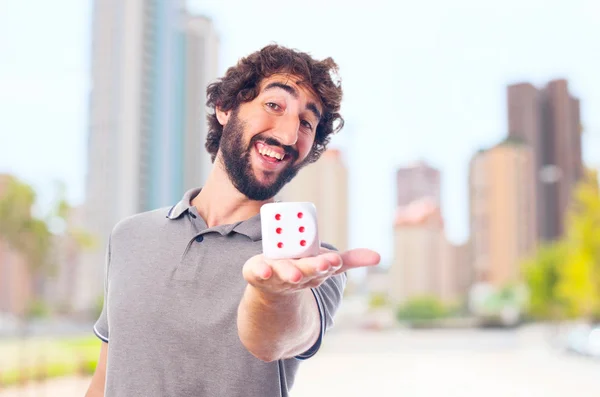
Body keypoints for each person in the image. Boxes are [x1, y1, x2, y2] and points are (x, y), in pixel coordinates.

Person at [85, 44, 380, 397]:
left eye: (306, 123)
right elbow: (106, 376)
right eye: (274, 105)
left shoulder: (310, 265)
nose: (288, 135)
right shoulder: (130, 236)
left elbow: (277, 340)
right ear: (225, 107)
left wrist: (272, 295)